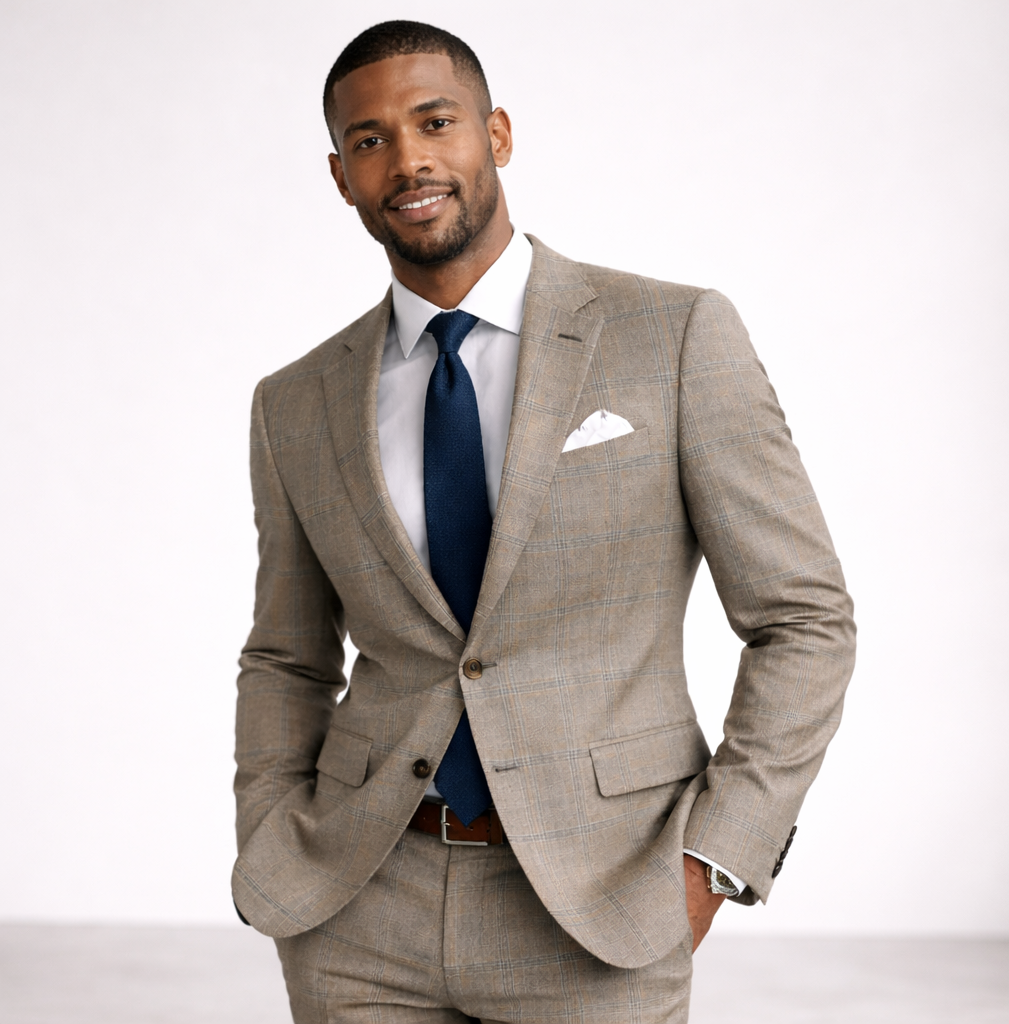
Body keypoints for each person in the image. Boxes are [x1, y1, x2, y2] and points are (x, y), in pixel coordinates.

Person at [231, 20, 856, 1024]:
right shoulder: (296, 401)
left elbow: (804, 618)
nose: (408, 158)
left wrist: (713, 857)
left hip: (602, 906)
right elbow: (287, 656)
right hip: (359, 912)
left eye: (435, 121)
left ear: (498, 134)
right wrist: (269, 830)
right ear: (342, 177)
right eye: (369, 139)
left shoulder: (674, 335)